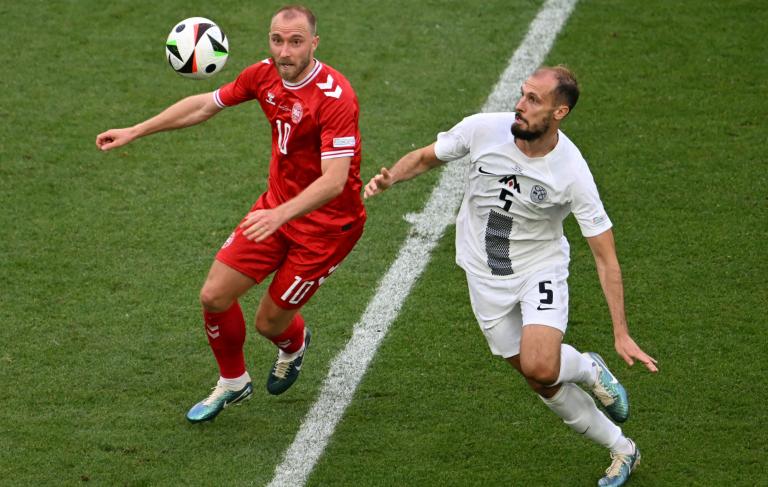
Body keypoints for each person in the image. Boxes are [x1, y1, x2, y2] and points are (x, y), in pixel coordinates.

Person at [364, 66, 658, 487]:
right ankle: (620, 442)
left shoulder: (571, 173)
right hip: (482, 273)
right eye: (523, 94)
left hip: (538, 268)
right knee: (540, 380)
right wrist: (392, 176)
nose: (520, 105)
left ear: (559, 112)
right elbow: (428, 156)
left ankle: (596, 389)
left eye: (534, 100)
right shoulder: (484, 129)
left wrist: (621, 332)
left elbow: (606, 257)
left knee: (542, 363)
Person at [96, 5, 366, 423]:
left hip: (327, 229)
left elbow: (334, 181)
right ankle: (233, 382)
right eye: (277, 40)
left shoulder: (335, 97)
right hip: (275, 209)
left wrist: (281, 216)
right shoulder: (263, 74)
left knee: (269, 323)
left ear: (314, 43)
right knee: (214, 295)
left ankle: (293, 345)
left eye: (296, 42)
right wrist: (136, 130)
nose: (285, 51)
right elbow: (206, 104)